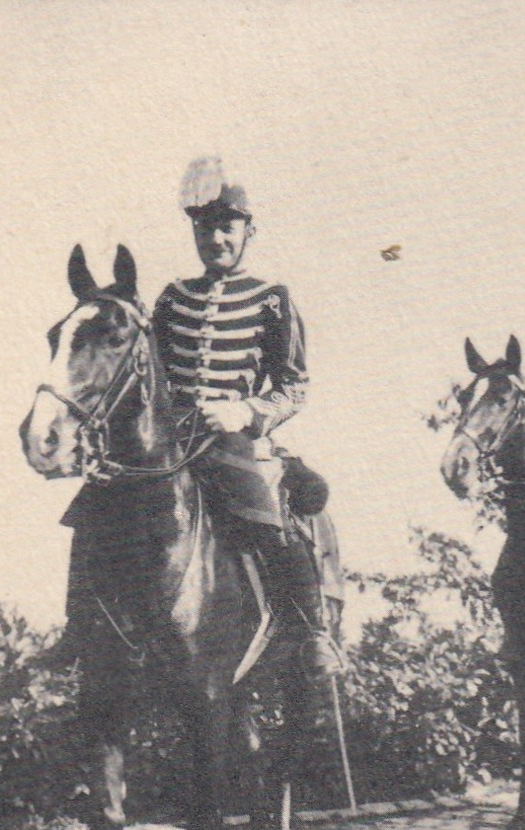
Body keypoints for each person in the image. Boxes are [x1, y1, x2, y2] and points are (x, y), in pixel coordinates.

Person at [154, 156, 342, 676]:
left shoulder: (270, 298)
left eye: (225, 226)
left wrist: (245, 411)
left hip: (233, 443)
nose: (214, 238)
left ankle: (310, 632)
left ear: (248, 230)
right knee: (96, 505)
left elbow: (294, 385)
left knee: (268, 516)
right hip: (172, 440)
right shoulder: (173, 298)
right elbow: (151, 375)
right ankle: (80, 627)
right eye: (203, 227)